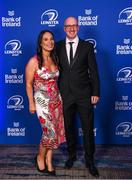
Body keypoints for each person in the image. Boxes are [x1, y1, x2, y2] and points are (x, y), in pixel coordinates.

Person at [56, 17, 100, 177]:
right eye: (68, 26)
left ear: (78, 27)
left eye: (74, 25)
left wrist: (95, 92)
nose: (71, 28)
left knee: (88, 129)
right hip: (65, 95)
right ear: (64, 28)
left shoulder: (87, 46)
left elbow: (93, 71)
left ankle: (90, 161)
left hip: (84, 95)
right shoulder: (58, 46)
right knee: (68, 128)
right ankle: (71, 156)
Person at [25, 30, 65, 176]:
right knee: (48, 132)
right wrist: (31, 103)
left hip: (56, 100)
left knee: (54, 132)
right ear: (40, 43)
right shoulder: (34, 61)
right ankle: (40, 157)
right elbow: (29, 84)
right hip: (42, 101)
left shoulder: (55, 59)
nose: (50, 42)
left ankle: (49, 160)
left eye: (51, 39)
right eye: (46, 39)